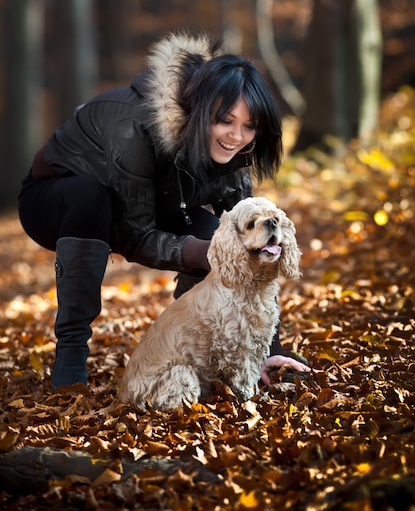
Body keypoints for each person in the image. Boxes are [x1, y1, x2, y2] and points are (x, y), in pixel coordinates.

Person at [18, 31, 309, 391]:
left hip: (156, 200)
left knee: (215, 234)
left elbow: (252, 244)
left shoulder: (236, 153)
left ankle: (193, 345)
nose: (236, 136)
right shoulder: (135, 127)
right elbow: (136, 236)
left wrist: (272, 349)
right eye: (226, 121)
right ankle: (71, 354)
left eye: (249, 126)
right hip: (57, 203)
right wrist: (205, 253)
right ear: (201, 111)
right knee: (91, 197)